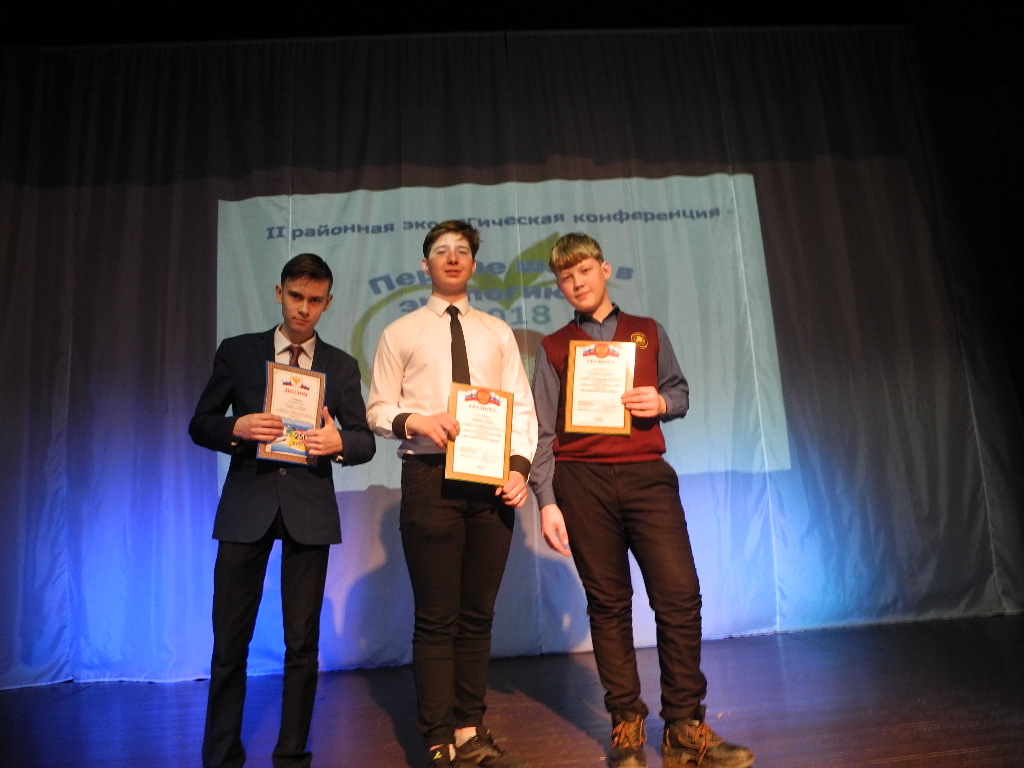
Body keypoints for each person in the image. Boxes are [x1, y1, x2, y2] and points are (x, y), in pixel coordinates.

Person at [528, 233, 755, 768]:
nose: (577, 283)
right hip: (581, 482)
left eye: (584, 270)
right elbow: (541, 432)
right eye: (565, 277)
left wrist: (660, 402)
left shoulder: (647, 333)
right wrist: (546, 500)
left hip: (647, 477)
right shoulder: (554, 347)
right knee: (608, 604)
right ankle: (626, 728)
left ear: (605, 270)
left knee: (679, 596)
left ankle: (684, 728)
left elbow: (680, 393)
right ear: (559, 285)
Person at [189, 253, 376, 768]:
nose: (303, 309)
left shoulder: (340, 365)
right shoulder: (239, 352)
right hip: (246, 505)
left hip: (308, 510)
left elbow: (363, 441)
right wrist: (236, 428)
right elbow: (200, 422)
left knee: (302, 646)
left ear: (328, 302)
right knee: (230, 644)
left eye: (314, 300)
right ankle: (220, 757)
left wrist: (339, 442)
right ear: (279, 293)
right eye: (295, 296)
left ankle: (292, 756)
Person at [366, 220, 537, 768]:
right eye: (441, 250)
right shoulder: (400, 332)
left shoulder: (497, 333)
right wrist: (416, 420)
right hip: (429, 476)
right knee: (437, 617)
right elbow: (376, 409)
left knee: (478, 615)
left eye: (462, 250)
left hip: (491, 482)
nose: (453, 257)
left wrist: (519, 469)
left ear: (474, 264)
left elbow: (522, 408)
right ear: (426, 264)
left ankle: (470, 731)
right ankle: (438, 739)